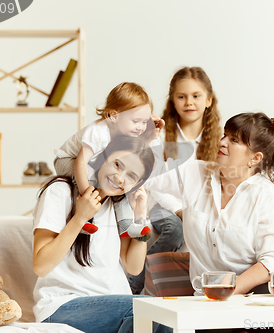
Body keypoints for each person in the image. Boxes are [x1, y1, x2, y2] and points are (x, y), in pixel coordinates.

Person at [146, 112, 274, 296]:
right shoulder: (195, 173)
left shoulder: (267, 197)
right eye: (224, 135)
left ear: (255, 158)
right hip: (219, 297)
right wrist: (147, 139)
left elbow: (272, 262)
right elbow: (149, 177)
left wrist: (224, 289)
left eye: (234, 140)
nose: (222, 142)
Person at [32, 136, 170, 333]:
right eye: (117, 164)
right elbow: (41, 266)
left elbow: (133, 267)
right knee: (150, 311)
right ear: (101, 157)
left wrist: (141, 216)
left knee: (161, 314)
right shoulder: (60, 191)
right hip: (63, 305)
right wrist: (80, 218)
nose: (119, 178)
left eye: (131, 176)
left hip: (115, 302)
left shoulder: (118, 205)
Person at [129, 66, 222, 294]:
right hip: (162, 206)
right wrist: (179, 209)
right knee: (175, 229)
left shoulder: (219, 140)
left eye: (196, 96)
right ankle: (134, 282)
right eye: (182, 97)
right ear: (173, 101)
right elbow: (152, 181)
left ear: (208, 100)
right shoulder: (160, 136)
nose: (189, 102)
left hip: (197, 206)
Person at [54, 82, 164, 239]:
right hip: (67, 159)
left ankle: (126, 225)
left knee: (123, 182)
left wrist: (151, 135)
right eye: (136, 121)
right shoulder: (99, 132)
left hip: (93, 163)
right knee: (92, 179)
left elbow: (141, 158)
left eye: (144, 122)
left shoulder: (128, 131)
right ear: (114, 116)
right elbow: (80, 163)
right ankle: (82, 220)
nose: (140, 127)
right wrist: (88, 194)